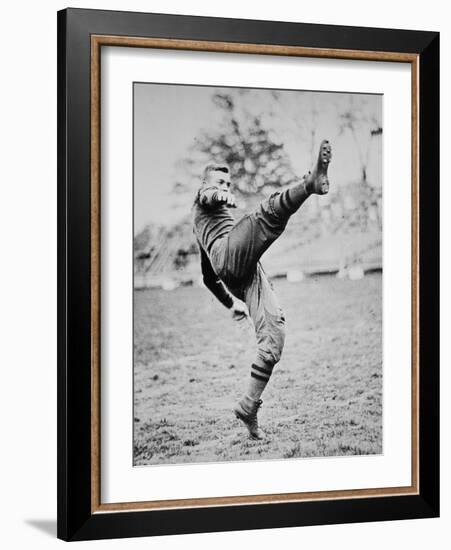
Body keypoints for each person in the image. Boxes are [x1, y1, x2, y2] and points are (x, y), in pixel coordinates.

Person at [192, 140, 332, 439]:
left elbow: (208, 277)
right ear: (204, 183)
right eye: (219, 181)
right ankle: (310, 184)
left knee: (274, 335)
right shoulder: (204, 200)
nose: (225, 186)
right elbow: (208, 196)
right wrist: (220, 194)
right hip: (228, 256)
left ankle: (248, 405)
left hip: (241, 273)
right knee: (264, 216)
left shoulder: (211, 225)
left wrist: (231, 305)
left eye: (228, 182)